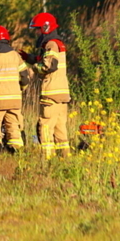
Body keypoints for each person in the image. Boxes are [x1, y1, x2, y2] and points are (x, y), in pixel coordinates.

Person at [26, 12, 71, 159]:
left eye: (38, 29)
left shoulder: (51, 44)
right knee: (60, 128)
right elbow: (44, 59)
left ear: (45, 28)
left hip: (51, 92)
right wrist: (30, 58)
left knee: (45, 126)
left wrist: (34, 69)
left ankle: (47, 158)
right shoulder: (58, 43)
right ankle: (65, 157)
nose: (37, 33)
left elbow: (49, 65)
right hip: (62, 93)